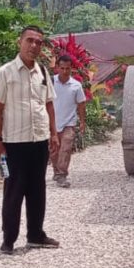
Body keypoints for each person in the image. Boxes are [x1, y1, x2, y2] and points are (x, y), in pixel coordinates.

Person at [0, 26, 60, 254]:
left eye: (38, 42)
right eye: (29, 40)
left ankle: (35, 234)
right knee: (13, 189)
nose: (34, 46)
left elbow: (48, 103)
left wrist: (54, 133)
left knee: (37, 189)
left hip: (38, 141)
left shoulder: (42, 72)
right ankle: (8, 239)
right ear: (19, 42)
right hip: (13, 144)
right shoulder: (5, 72)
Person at [49, 54, 87, 188]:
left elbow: (81, 104)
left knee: (65, 148)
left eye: (67, 69)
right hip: (52, 123)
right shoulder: (51, 82)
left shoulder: (76, 86)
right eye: (62, 68)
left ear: (71, 69)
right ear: (58, 68)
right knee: (54, 150)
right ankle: (56, 171)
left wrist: (82, 122)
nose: (65, 71)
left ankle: (62, 175)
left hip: (69, 123)